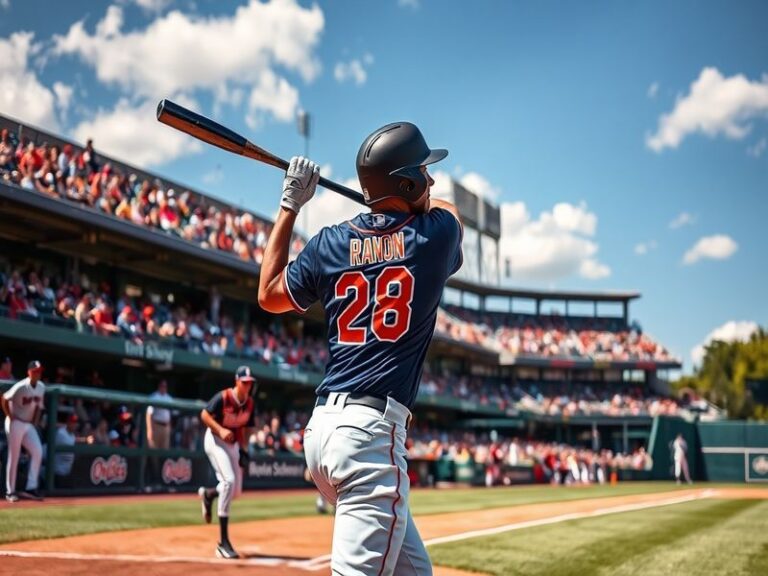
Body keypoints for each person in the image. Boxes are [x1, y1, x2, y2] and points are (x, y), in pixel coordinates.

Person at [258, 122, 462, 576]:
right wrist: (404, 207)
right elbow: (448, 211)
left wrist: (290, 206)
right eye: (423, 175)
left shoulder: (330, 241)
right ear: (406, 184)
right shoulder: (435, 237)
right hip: (369, 440)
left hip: (323, 434)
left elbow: (268, 293)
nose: (431, 182)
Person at [197, 366, 257, 559]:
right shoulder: (223, 397)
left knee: (236, 492)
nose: (247, 386)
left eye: (250, 383)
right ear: (237, 381)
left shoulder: (249, 403)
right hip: (215, 439)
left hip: (232, 444)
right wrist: (220, 430)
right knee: (228, 482)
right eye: (245, 382)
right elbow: (204, 415)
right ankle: (223, 543)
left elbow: (248, 427)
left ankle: (208, 494)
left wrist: (245, 449)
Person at [2, 360, 46, 502]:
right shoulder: (20, 386)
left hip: (27, 424)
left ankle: (31, 488)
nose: (37, 374)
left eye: (39, 371)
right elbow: (3, 398)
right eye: (35, 371)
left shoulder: (41, 387)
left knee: (38, 451)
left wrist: (36, 421)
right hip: (15, 423)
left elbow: (39, 406)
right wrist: (9, 415)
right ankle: (10, 491)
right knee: (14, 456)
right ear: (29, 372)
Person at [146, 379, 173, 450]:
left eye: (165, 386)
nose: (164, 388)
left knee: (165, 449)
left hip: (165, 427)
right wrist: (150, 429)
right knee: (154, 448)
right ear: (159, 386)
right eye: (162, 386)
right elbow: (149, 414)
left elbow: (170, 414)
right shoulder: (154, 397)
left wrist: (169, 427)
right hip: (156, 426)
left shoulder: (169, 398)